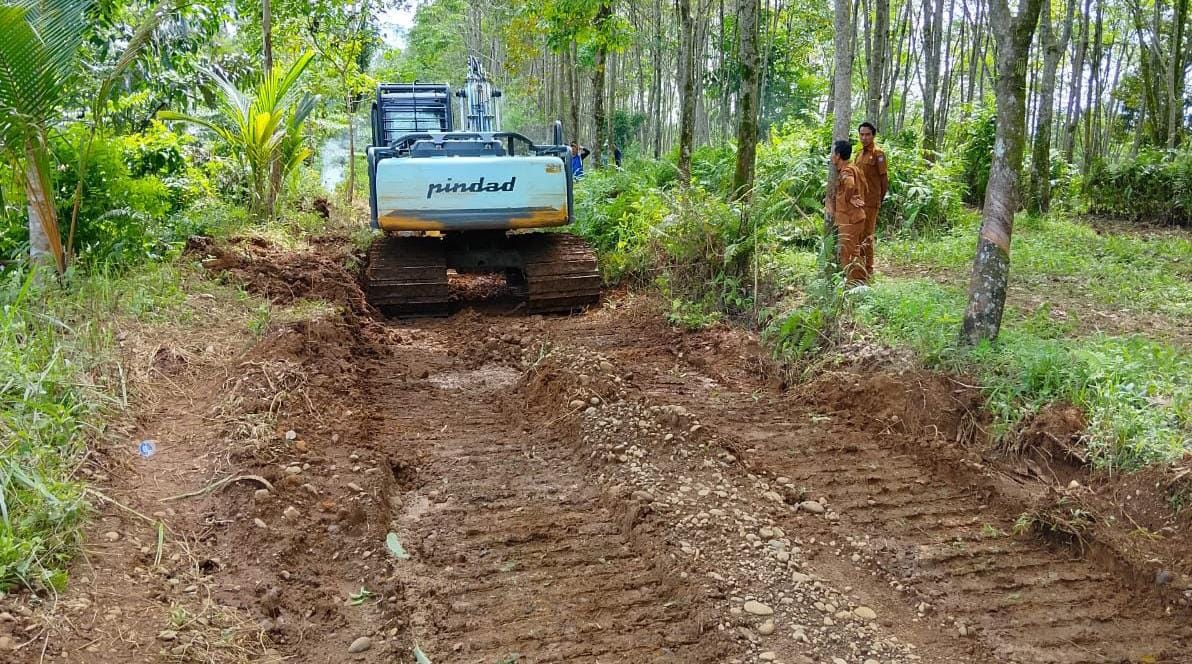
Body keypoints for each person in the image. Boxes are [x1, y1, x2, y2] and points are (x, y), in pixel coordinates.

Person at [826, 139, 869, 285]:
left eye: (833, 154)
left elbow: (850, 185)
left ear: (838, 155)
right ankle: (859, 283)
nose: (832, 157)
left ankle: (855, 285)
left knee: (849, 254)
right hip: (856, 218)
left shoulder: (847, 171)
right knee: (853, 251)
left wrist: (848, 198)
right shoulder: (855, 168)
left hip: (850, 219)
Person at [854, 122, 888, 281]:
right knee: (858, 234)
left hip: (871, 201)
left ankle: (869, 269)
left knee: (867, 235)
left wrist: (879, 199)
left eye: (867, 134)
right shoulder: (859, 154)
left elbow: (884, 179)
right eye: (861, 134)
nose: (864, 137)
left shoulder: (879, 154)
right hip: (858, 202)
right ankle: (859, 267)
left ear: (873, 135)